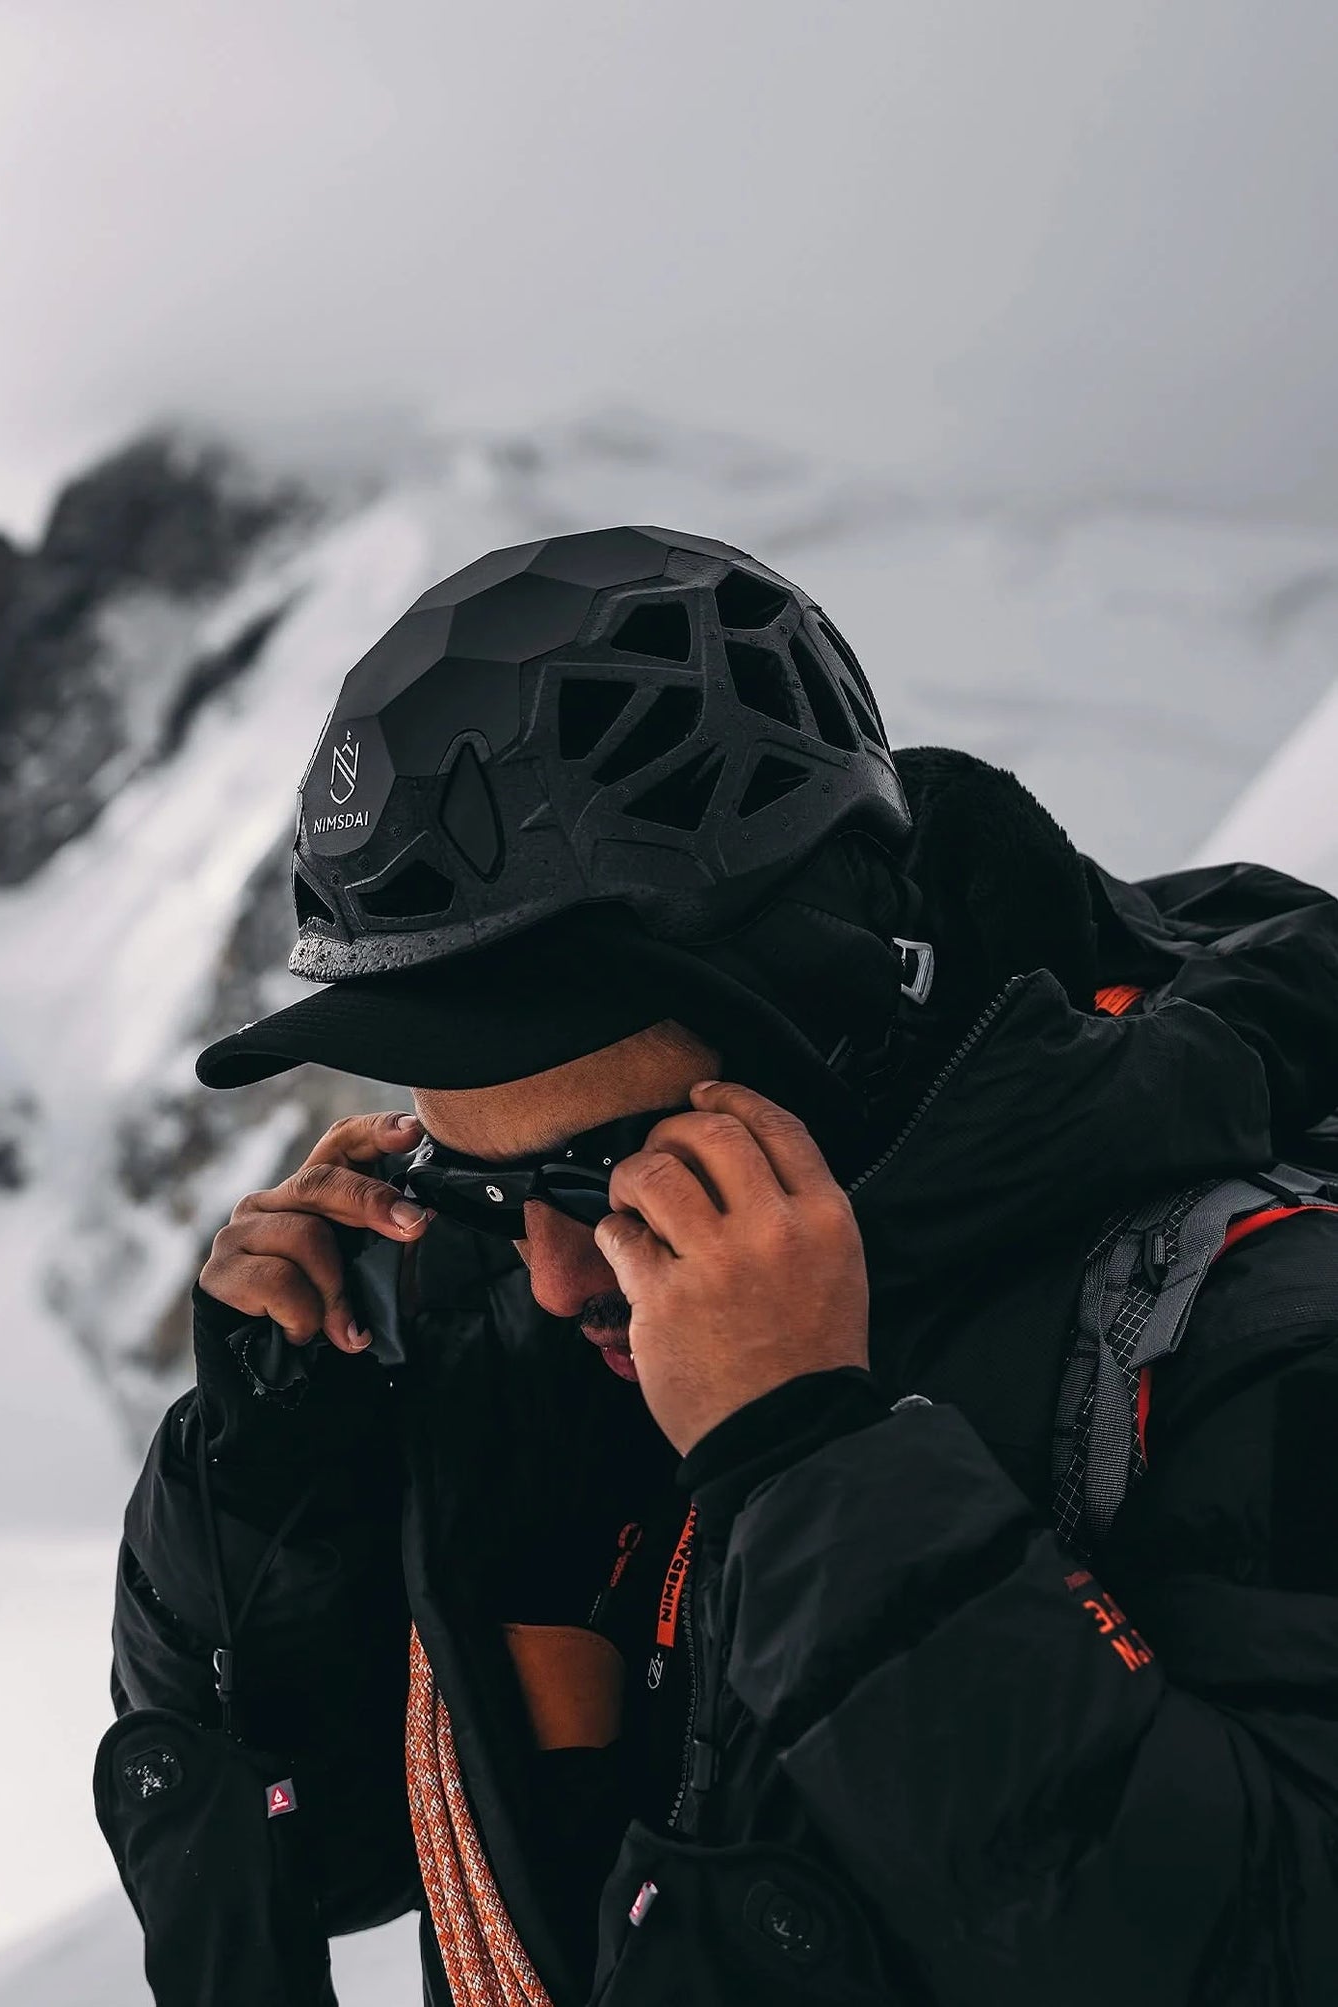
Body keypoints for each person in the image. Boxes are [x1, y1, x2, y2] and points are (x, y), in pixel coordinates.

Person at [95, 527, 1338, 2007]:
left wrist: (813, 1459)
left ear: (840, 1027)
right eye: (482, 1182)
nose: (556, 1276)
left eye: (605, 1167)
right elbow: (325, 1854)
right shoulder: (509, 1329)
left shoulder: (1252, 1325)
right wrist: (268, 1483)